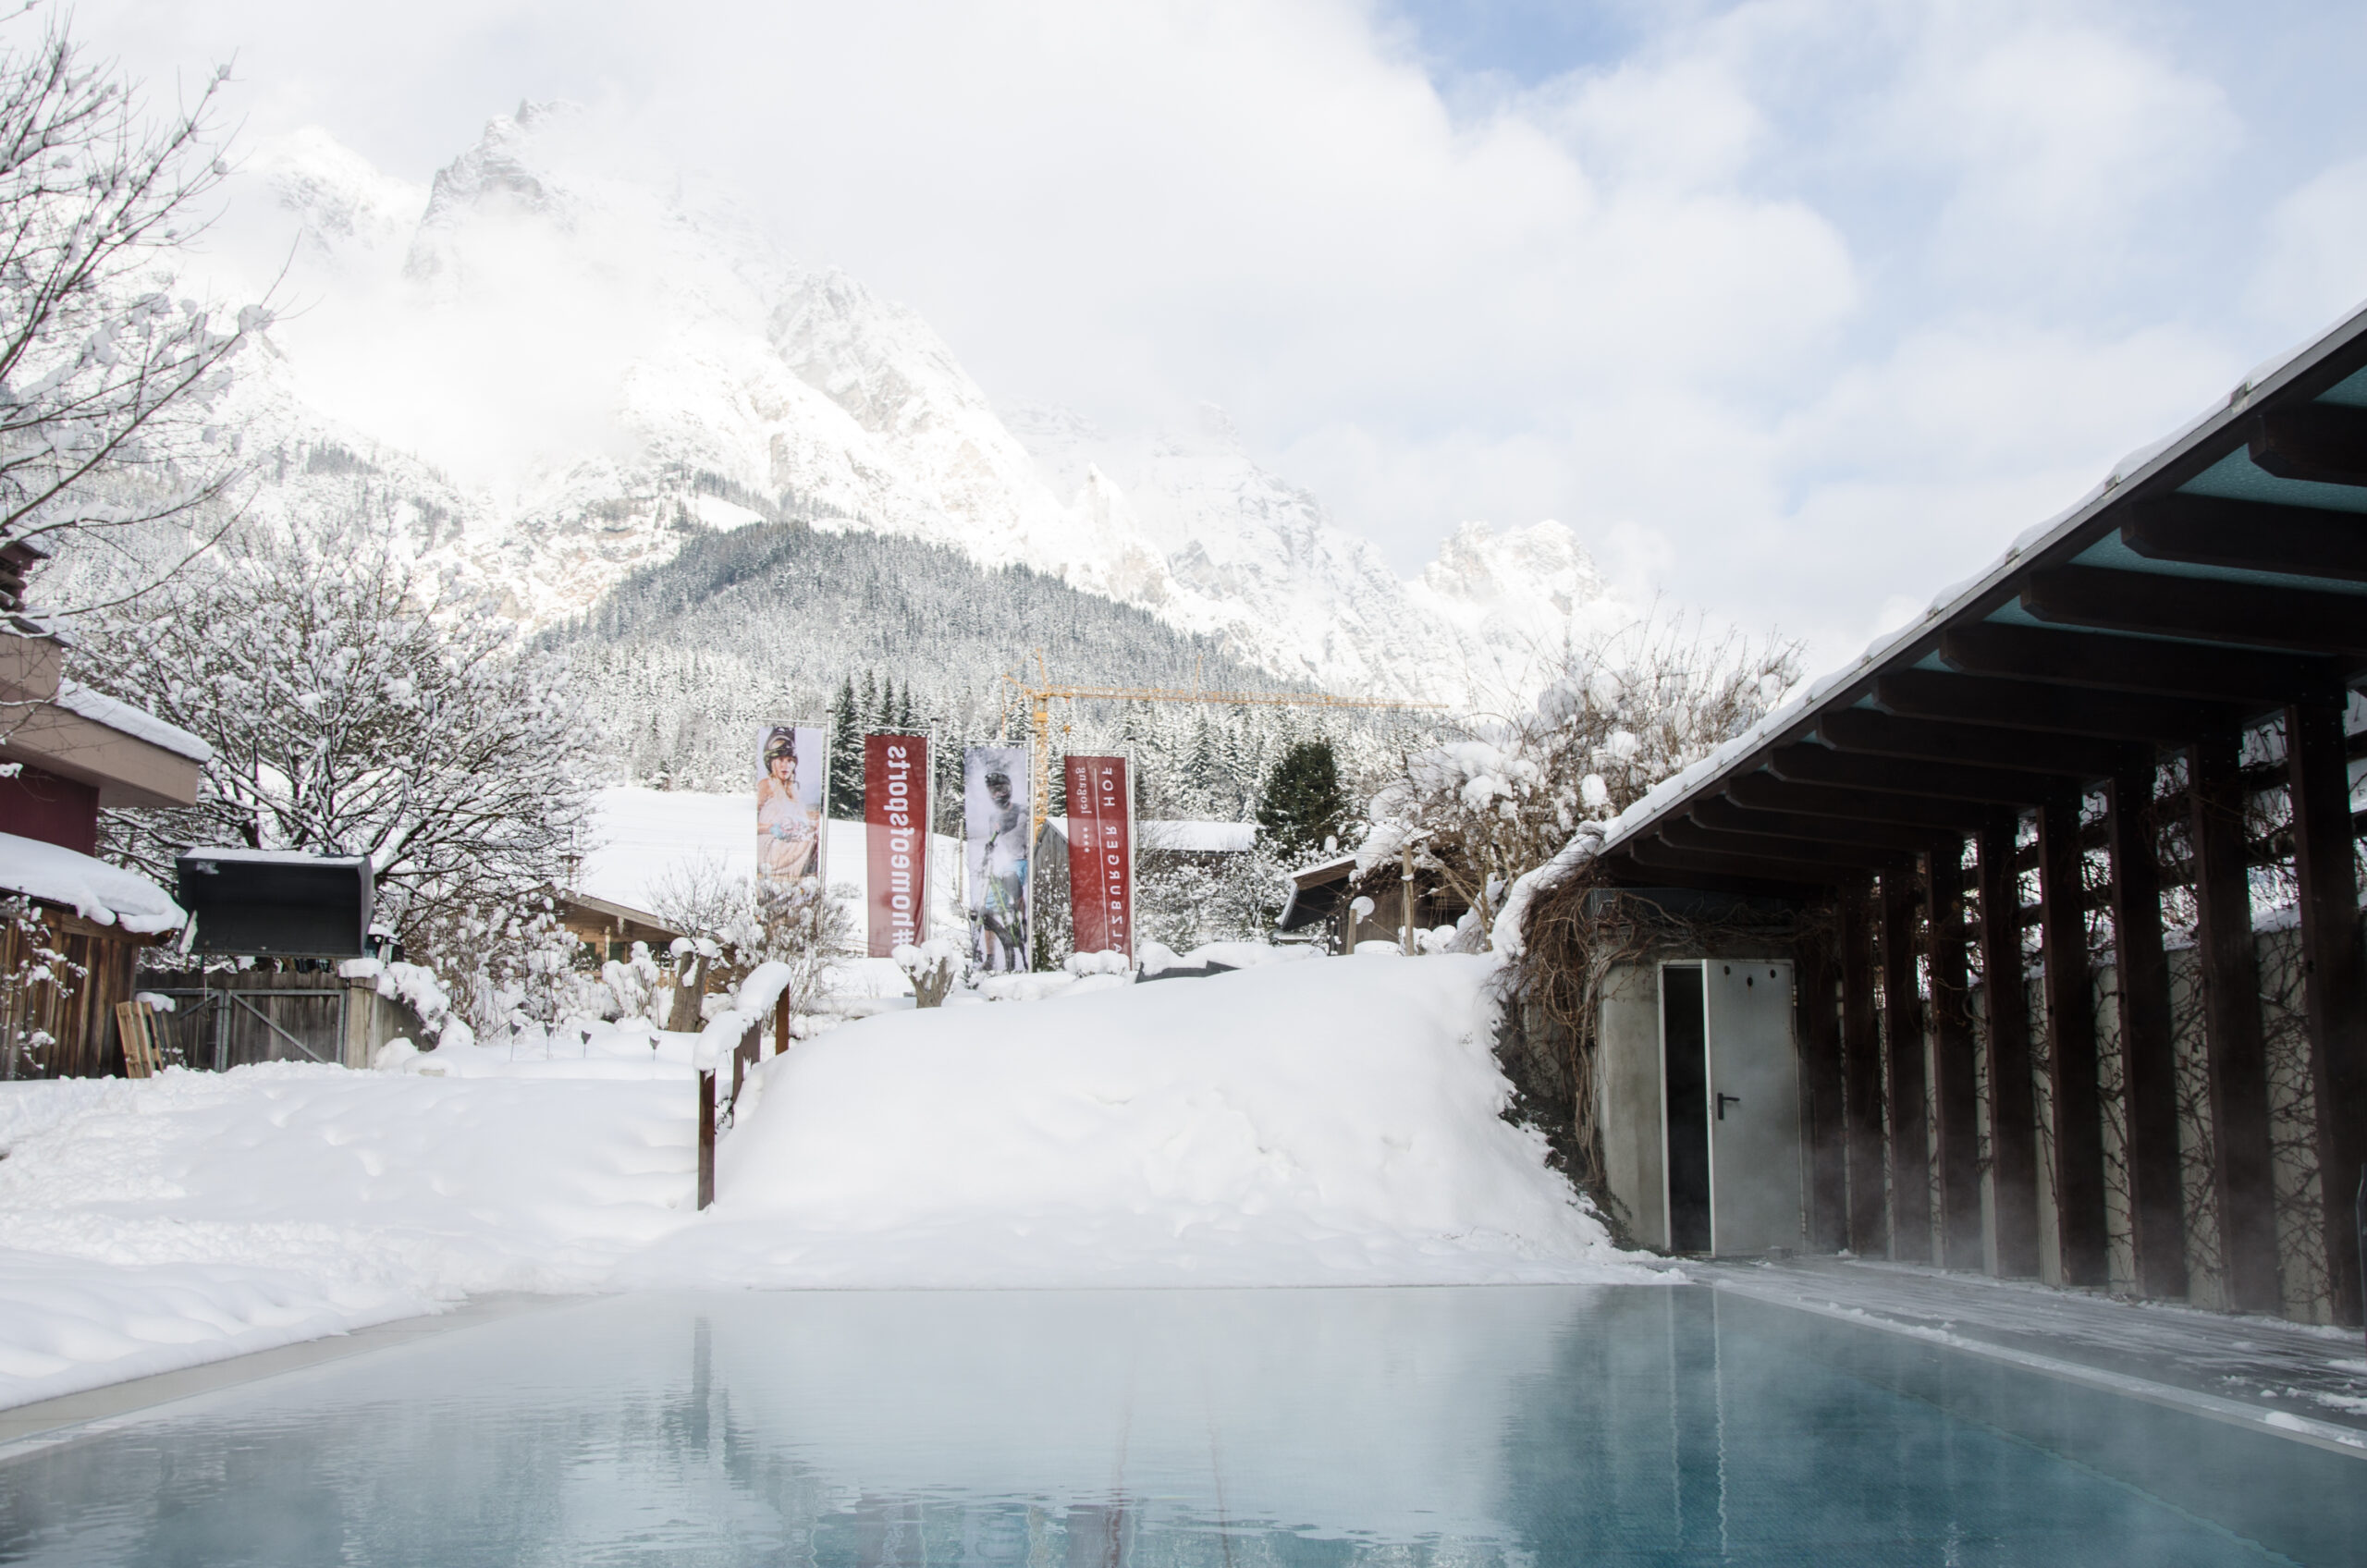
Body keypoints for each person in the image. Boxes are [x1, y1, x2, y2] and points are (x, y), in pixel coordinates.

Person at [972, 766, 1030, 972]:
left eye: (1002, 790)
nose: (999, 795)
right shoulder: (993, 818)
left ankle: (1022, 925)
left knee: (1012, 879)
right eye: (994, 792)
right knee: (986, 909)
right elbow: (994, 840)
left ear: (1010, 789)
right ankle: (990, 957)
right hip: (1001, 860)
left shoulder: (1023, 811)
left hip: (1020, 860)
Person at [757, 726, 819, 881]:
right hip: (770, 844)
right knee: (806, 843)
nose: (785, 765)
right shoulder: (766, 785)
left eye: (790, 760)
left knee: (813, 840)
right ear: (770, 762)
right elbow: (751, 822)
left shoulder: (794, 790)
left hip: (792, 841)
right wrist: (771, 828)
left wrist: (810, 824)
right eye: (780, 760)